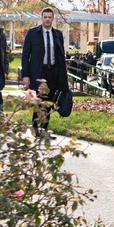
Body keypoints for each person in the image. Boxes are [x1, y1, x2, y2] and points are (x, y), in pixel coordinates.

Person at [20, 7, 67, 135]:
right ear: (41, 18)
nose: (47, 19)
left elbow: (61, 55)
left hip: (53, 72)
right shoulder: (32, 33)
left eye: (49, 17)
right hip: (38, 72)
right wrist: (25, 75)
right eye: (45, 17)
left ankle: (44, 129)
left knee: (49, 102)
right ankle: (35, 126)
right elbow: (25, 55)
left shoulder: (58, 34)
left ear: (53, 19)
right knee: (40, 100)